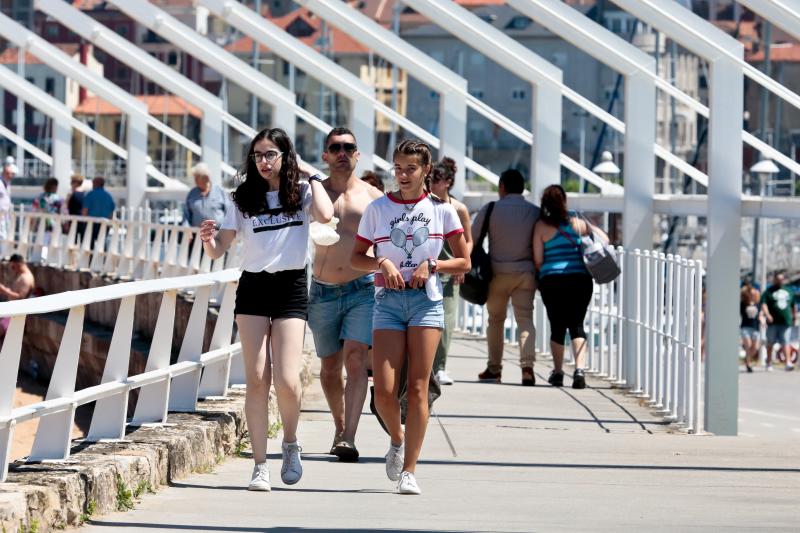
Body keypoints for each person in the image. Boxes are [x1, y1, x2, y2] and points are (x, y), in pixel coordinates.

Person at [199, 128, 333, 491]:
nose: (263, 161)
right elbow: (219, 249)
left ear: (285, 157)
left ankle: (290, 443)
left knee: (288, 380)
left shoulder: (303, 192)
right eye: (258, 155)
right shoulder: (243, 198)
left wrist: (312, 173)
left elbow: (325, 213)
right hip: (254, 288)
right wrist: (209, 239)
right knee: (256, 379)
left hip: (290, 287)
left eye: (271, 154)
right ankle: (260, 465)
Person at [352, 139, 470, 495]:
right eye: (398, 168)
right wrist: (382, 261)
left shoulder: (442, 211)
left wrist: (433, 264)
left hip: (425, 303)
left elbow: (464, 261)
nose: (402, 175)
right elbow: (357, 257)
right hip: (387, 301)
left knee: (418, 388)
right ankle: (398, 437)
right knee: (384, 393)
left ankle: (410, 470)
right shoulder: (378, 209)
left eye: (410, 169)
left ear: (426, 171)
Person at [307, 128, 383, 463]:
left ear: (357, 154)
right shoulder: (312, 194)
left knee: (355, 360)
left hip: (362, 290)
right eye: (335, 147)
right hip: (322, 291)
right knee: (328, 367)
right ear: (325, 155)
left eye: (348, 147)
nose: (342, 152)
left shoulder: (372, 197)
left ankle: (349, 438)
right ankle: (339, 424)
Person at [533, 184, 608, 389]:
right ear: (564, 201)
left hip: (552, 281)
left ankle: (557, 372)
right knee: (577, 325)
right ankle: (579, 370)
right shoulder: (577, 221)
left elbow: (538, 260)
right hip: (579, 279)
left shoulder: (541, 226)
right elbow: (605, 239)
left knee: (557, 327)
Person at [471, 169, 539, 386]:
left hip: (497, 273)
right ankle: (527, 367)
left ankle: (494, 368)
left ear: (502, 187)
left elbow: (472, 239)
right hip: (526, 274)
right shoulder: (535, 212)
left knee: (495, 321)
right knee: (525, 320)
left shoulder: (491, 209)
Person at [427, 157, 473, 385]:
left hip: (449, 273)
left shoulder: (458, 209)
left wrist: (461, 262)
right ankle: (428, 367)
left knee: (446, 321)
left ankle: (440, 367)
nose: (431, 184)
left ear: (447, 182)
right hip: (426, 272)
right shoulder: (427, 206)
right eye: (430, 179)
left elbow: (469, 241)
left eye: (435, 180)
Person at [761, 272, 797, 371]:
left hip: (785, 322)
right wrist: (767, 314)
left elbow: (793, 305)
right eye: (778, 279)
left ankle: (788, 363)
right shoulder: (769, 291)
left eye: (781, 279)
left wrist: (794, 317)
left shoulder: (789, 291)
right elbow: (763, 304)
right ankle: (768, 362)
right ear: (774, 280)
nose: (779, 281)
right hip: (772, 322)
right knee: (770, 342)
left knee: (786, 341)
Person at [183, 162, 231, 228]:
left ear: (206, 178)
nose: (195, 180)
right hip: (197, 234)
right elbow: (186, 216)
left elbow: (229, 213)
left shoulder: (220, 192)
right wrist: (187, 230)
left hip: (217, 234)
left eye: (197, 177)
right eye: (195, 177)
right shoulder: (192, 194)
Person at [0, 254, 35, 338]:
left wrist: (4, 290)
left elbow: (20, 297)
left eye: (13, 267)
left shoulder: (26, 278)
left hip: (15, 316)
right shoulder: (21, 275)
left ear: (18, 264)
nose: (12, 269)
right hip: (12, 313)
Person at [82, 177, 116, 249]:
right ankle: (103, 260)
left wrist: (83, 223)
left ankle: (89, 260)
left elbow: (84, 210)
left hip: (91, 223)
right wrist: (109, 224)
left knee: (89, 245)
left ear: (95, 183)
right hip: (104, 223)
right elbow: (111, 212)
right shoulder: (108, 196)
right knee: (103, 245)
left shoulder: (90, 194)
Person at [740, 278, 761, 373]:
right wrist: (746, 289)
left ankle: (747, 359)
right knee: (748, 345)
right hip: (745, 327)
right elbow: (743, 292)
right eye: (751, 293)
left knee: (755, 348)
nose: (752, 294)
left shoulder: (757, 304)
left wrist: (763, 319)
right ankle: (748, 364)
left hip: (755, 327)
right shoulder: (743, 304)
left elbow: (760, 314)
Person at [0, 160, 16, 257]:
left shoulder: (7, 184)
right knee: (2, 234)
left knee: (5, 234)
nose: (12, 176)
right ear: (5, 173)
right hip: (0, 213)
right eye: (10, 174)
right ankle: (3, 255)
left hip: (5, 214)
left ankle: (4, 254)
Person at [66, 174, 86, 239]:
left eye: (72, 182)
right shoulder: (85, 194)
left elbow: (66, 207)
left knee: (72, 242)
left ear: (76, 183)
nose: (70, 184)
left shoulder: (72, 194)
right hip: (83, 221)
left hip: (72, 220)